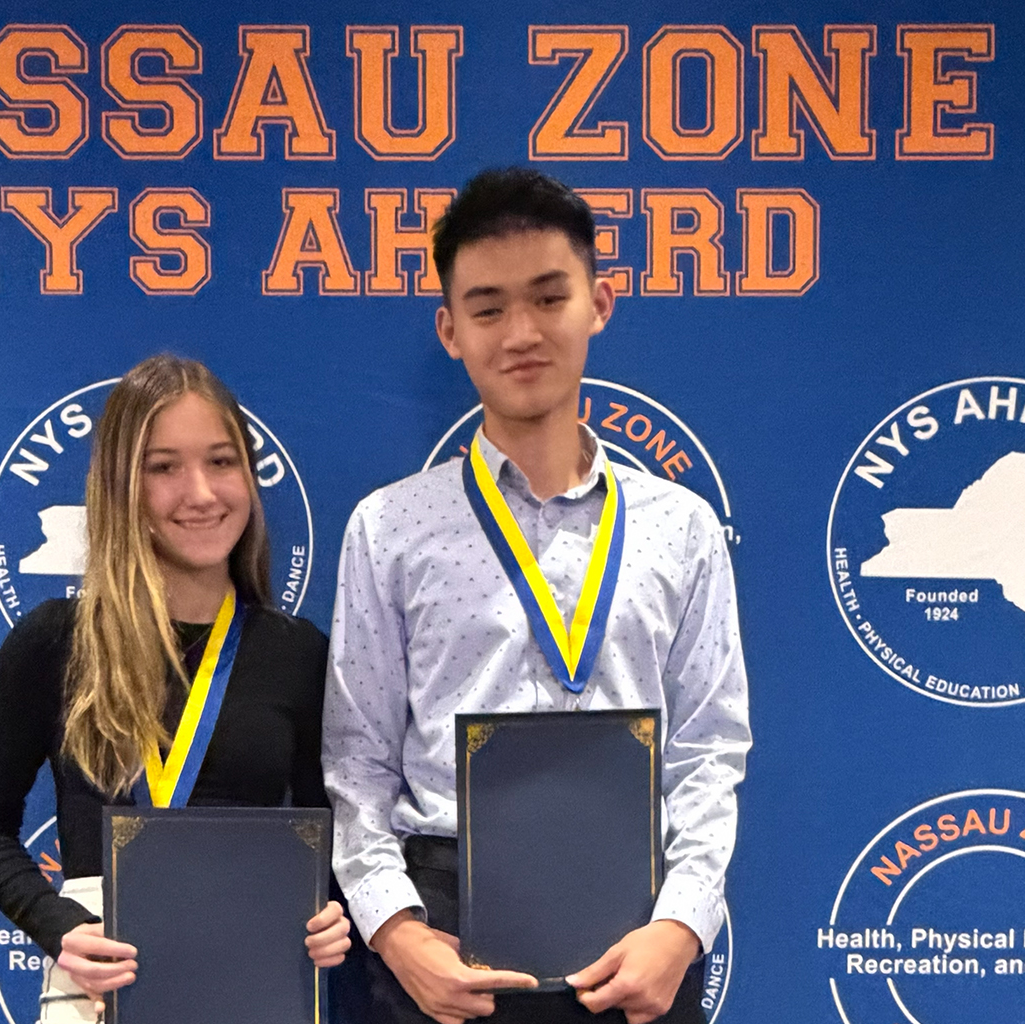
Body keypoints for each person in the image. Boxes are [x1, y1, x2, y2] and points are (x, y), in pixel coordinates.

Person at [322, 167, 752, 1024]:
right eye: (486, 309)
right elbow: (357, 762)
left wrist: (682, 924)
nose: (519, 332)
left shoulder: (683, 526)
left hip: (638, 937)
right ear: (450, 330)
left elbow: (709, 750)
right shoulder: (389, 527)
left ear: (599, 303)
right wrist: (397, 930)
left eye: (549, 297)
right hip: (445, 938)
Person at [0, 354, 352, 1003]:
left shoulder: (295, 652)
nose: (200, 491)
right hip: (100, 981)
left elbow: (330, 832)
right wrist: (58, 926)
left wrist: (330, 913)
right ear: (122, 486)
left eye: (221, 461)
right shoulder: (56, 641)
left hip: (253, 972)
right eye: (164, 467)